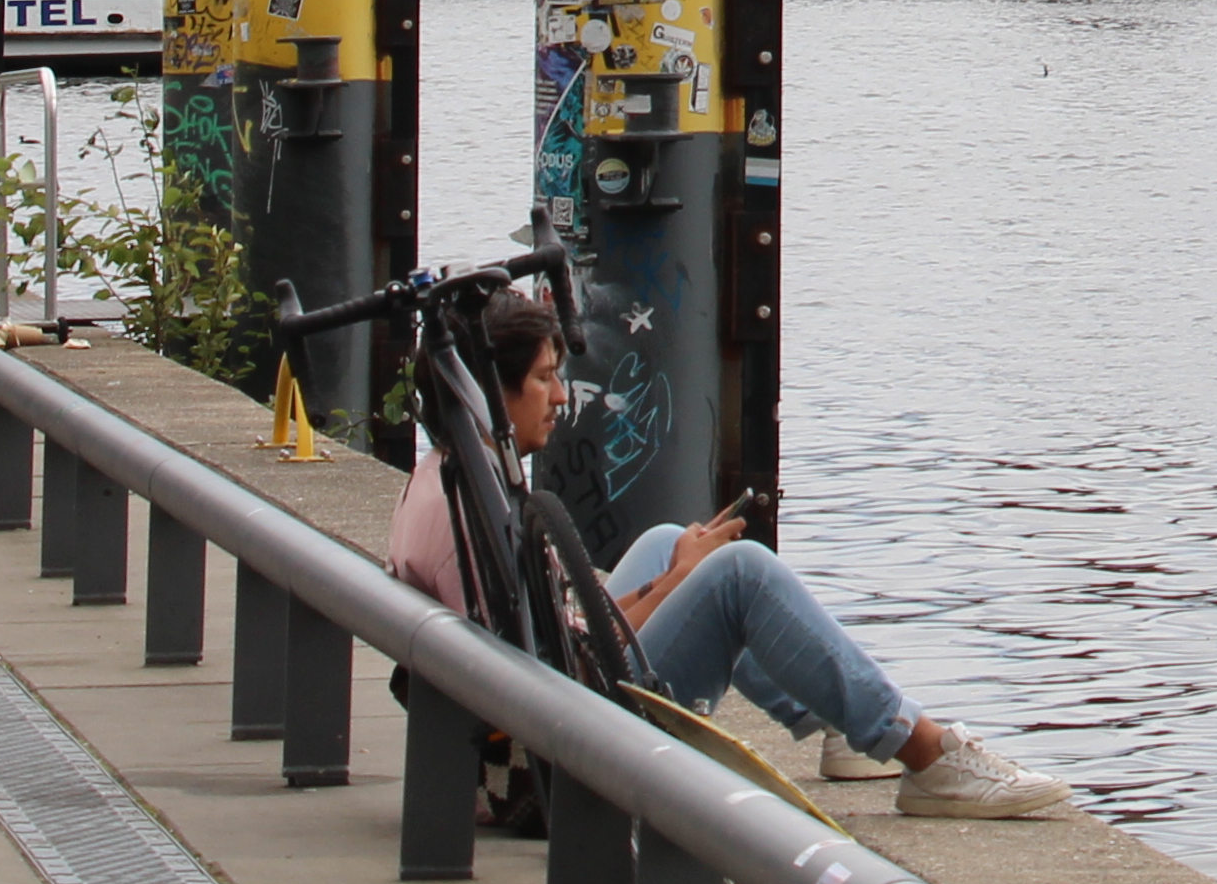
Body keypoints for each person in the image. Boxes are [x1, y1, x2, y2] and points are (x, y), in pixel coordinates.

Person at [387, 292, 1065, 820]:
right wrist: (681, 581)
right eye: (544, 379)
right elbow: (554, 669)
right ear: (489, 393)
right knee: (739, 574)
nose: (563, 396)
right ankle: (927, 758)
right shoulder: (476, 516)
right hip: (555, 757)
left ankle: (838, 718)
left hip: (534, 709)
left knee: (663, 542)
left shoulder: (450, 475)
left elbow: (549, 639)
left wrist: (672, 572)